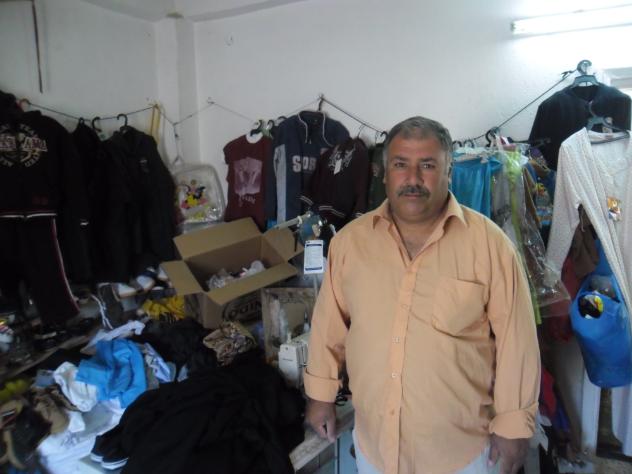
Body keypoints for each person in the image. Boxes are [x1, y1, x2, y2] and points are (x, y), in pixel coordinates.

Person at [304, 116, 540, 474]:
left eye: (427, 165)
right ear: (384, 174)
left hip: (462, 455)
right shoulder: (349, 244)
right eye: (401, 164)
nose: (413, 179)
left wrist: (513, 425)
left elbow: (517, 342)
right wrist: (320, 396)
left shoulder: (490, 246)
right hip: (375, 449)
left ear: (449, 172)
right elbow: (328, 327)